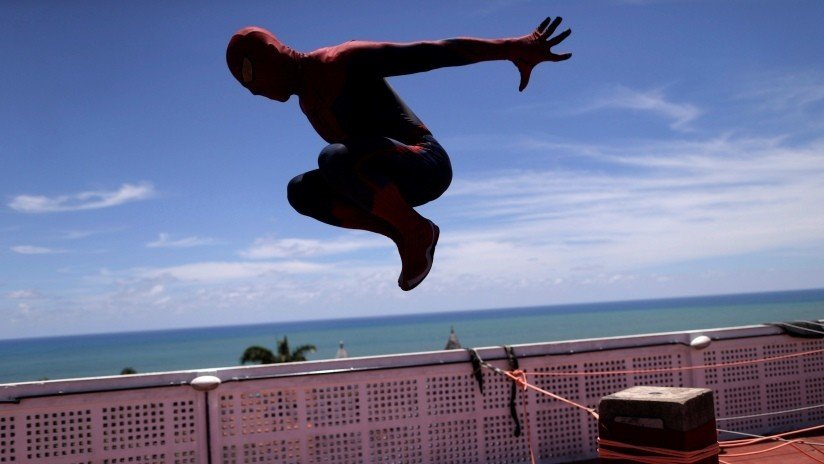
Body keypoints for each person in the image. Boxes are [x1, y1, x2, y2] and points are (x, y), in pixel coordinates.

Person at [226, 17, 571, 291]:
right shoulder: (308, 103)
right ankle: (403, 233)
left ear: (268, 58)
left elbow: (430, 52)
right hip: (381, 179)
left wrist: (513, 47)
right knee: (301, 191)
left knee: (333, 158)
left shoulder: (338, 61)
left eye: (248, 78)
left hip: (426, 163)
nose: (255, 92)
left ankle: (415, 231)